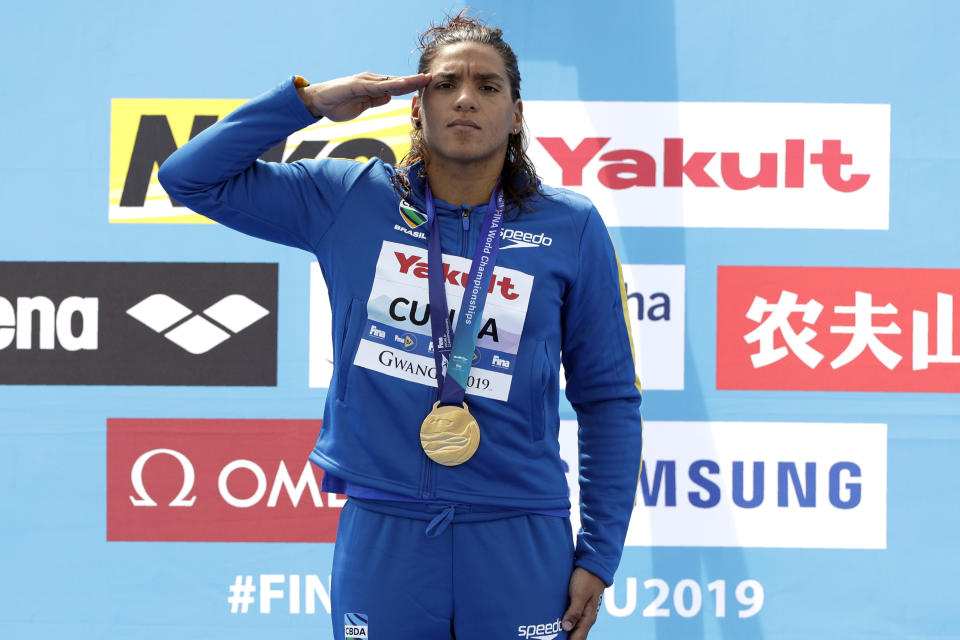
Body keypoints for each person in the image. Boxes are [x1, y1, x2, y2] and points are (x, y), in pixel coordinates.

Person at [159, 12, 642, 640]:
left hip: (520, 532)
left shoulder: (570, 228)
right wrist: (305, 103)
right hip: (385, 529)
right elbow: (187, 177)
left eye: (489, 86)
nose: (466, 98)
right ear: (416, 106)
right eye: (444, 84)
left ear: (517, 113)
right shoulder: (349, 198)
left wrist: (598, 556)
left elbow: (608, 400)